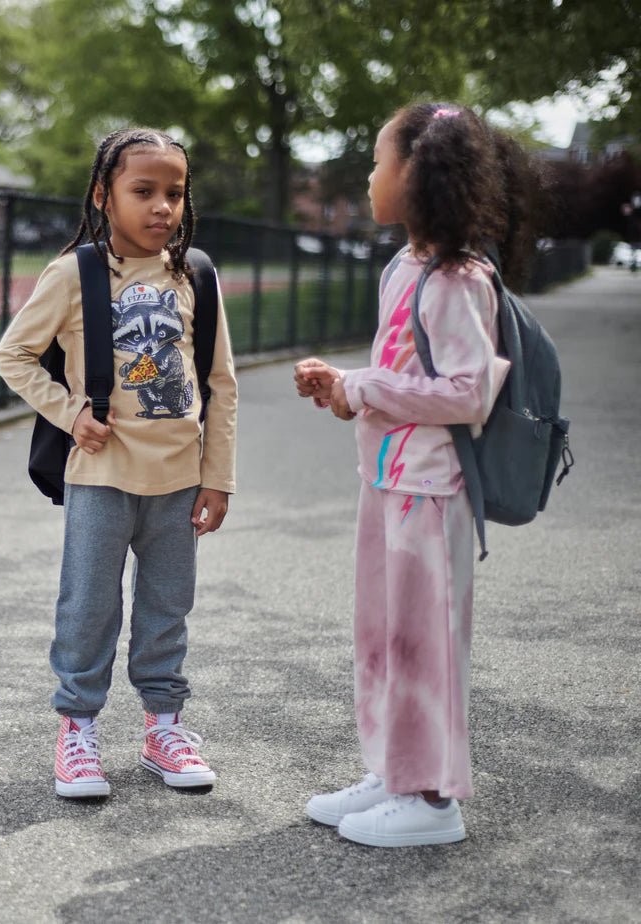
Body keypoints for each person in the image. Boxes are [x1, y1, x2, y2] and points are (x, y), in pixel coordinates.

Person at [294, 103, 543, 846]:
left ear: (419, 173)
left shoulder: (458, 279)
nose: (370, 176)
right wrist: (347, 390)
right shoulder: (403, 266)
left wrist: (362, 388)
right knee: (384, 635)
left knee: (426, 643)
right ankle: (395, 770)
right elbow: (406, 374)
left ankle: (435, 802)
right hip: (389, 482)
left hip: (434, 493)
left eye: (379, 162)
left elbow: (470, 391)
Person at [0, 128, 237, 799]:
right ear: (104, 195)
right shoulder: (75, 272)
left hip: (180, 480)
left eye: (175, 193)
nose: (163, 207)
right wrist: (69, 411)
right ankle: (77, 729)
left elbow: (219, 384)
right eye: (144, 191)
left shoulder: (196, 275)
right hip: (100, 474)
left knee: (168, 606)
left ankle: (165, 729)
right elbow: (13, 355)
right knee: (90, 606)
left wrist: (218, 476)